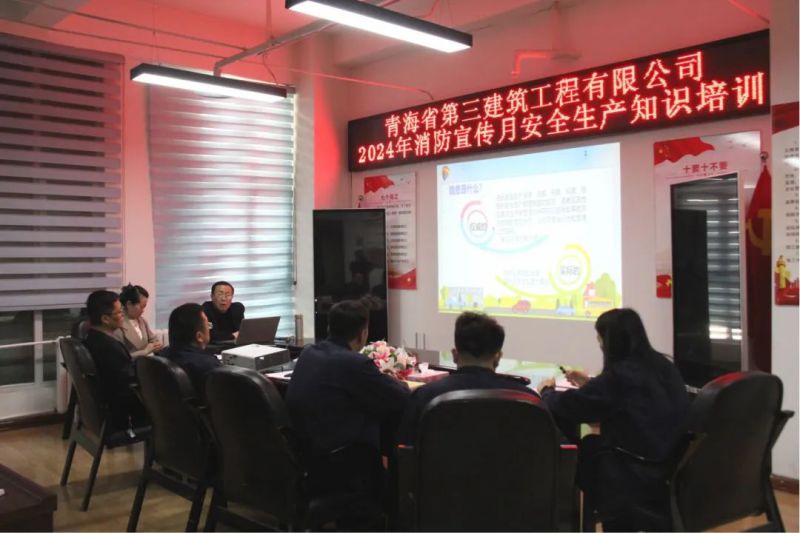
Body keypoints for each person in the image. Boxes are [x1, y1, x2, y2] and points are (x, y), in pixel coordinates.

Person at [537, 308, 690, 531]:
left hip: (632, 468)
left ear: (611, 341)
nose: (599, 344)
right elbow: (623, 402)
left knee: (580, 451)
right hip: (667, 464)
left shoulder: (619, 377)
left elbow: (572, 407)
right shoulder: (662, 365)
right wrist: (590, 384)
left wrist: (546, 392)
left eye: (600, 338)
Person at [286, 300, 410, 527]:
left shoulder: (309, 353)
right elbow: (400, 397)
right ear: (363, 334)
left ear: (329, 327)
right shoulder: (353, 362)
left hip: (306, 456)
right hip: (341, 462)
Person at [397, 311, 538, 445]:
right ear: (498, 357)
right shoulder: (528, 399)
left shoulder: (425, 396)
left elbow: (404, 451)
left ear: (454, 355)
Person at [82, 290, 146, 430]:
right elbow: (128, 380)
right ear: (105, 319)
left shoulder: (91, 336)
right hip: (122, 408)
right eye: (119, 312)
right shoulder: (109, 347)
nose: (123, 315)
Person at [161, 303, 220, 399]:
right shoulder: (208, 366)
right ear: (199, 336)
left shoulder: (162, 355)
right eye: (208, 325)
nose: (209, 329)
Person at [117, 283, 162, 357]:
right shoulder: (118, 325)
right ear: (129, 304)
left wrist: (157, 345)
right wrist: (145, 351)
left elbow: (153, 339)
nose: (143, 310)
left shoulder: (142, 321)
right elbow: (121, 357)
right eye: (141, 307)